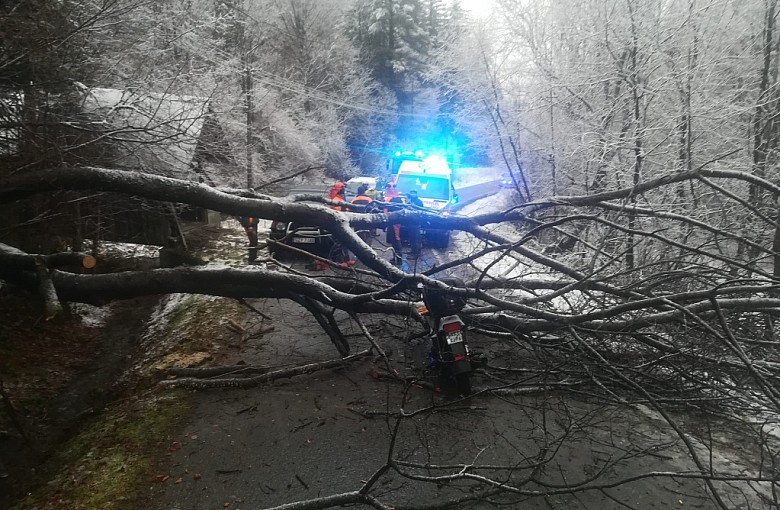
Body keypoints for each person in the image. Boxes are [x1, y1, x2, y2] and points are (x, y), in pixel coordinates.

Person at [383, 183, 404, 265]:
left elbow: (387, 211)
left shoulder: (391, 200)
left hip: (394, 223)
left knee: (396, 240)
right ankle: (397, 258)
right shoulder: (398, 199)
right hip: (395, 222)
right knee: (395, 240)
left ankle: (398, 259)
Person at [406, 190, 424, 257]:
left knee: (415, 238)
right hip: (410, 222)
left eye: (414, 193)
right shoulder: (410, 201)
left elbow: (420, 211)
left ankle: (416, 253)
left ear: (416, 194)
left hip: (415, 222)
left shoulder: (418, 202)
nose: (412, 194)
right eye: (411, 193)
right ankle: (413, 251)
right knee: (412, 238)